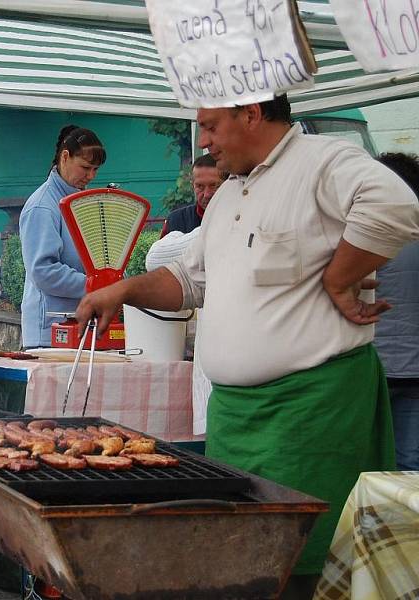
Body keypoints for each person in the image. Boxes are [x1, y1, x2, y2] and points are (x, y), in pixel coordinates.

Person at [74, 95, 419, 597]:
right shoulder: (230, 195)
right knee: (238, 561)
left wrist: (340, 277)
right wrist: (123, 289)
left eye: (211, 126)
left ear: (251, 114)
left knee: (302, 565)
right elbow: (190, 281)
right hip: (235, 418)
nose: (205, 142)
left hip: (309, 412)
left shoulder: (323, 160)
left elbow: (397, 206)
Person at [19, 125, 106, 348]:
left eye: (96, 169)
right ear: (65, 157)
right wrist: (97, 285)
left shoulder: (80, 201)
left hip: (81, 323)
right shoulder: (42, 206)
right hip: (49, 332)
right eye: (86, 167)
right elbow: (43, 271)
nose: (91, 176)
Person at [373, 152, 419, 471]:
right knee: (410, 460)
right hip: (415, 370)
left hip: (374, 368)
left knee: (372, 459)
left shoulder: (365, 239)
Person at [159, 154, 224, 237]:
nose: (206, 194)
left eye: (214, 186)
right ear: (192, 185)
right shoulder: (176, 220)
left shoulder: (241, 218)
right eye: (200, 186)